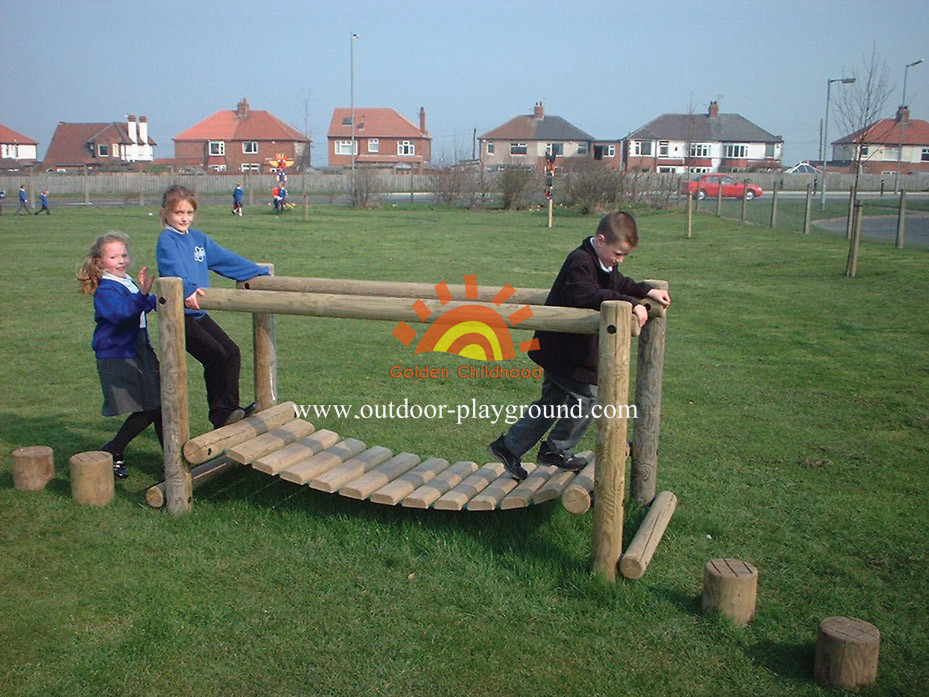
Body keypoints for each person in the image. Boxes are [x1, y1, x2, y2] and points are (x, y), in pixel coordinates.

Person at [489, 211, 672, 481]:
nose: (619, 260)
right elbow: (585, 294)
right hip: (563, 350)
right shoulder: (580, 261)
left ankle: (509, 447)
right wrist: (630, 303)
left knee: (553, 401)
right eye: (618, 254)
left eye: (624, 256)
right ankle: (556, 448)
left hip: (562, 348)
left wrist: (645, 290)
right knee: (590, 397)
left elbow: (617, 283)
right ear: (600, 240)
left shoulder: (602, 261)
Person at [156, 185, 269, 429]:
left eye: (188, 213)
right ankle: (221, 415)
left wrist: (257, 271)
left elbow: (224, 259)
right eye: (178, 213)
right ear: (165, 213)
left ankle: (231, 411)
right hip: (179, 316)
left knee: (231, 351)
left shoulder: (198, 239)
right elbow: (171, 267)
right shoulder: (167, 240)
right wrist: (187, 290)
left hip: (198, 312)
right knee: (215, 355)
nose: (184, 218)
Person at [78, 232, 162, 479]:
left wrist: (164, 300)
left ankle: (169, 458)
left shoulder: (125, 280)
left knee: (161, 404)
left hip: (139, 349)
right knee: (152, 406)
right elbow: (122, 314)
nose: (121, 260)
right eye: (113, 256)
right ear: (100, 261)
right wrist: (143, 296)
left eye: (124, 254)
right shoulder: (106, 288)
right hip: (119, 354)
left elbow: (138, 306)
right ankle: (114, 448)